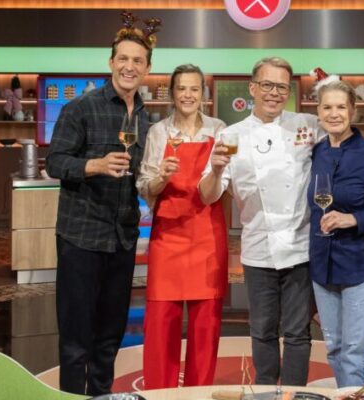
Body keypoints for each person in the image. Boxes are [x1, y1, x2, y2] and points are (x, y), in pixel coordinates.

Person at [45, 14, 159, 396]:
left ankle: (102, 395)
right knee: (76, 339)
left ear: (147, 69)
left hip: (122, 238)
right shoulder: (81, 108)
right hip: (81, 236)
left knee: (110, 337)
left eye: (137, 61)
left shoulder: (144, 117)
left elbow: (142, 174)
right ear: (111, 62)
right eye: (123, 59)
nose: (129, 67)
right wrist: (94, 165)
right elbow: (55, 162)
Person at [198, 57, 321, 386]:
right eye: (267, 85)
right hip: (258, 248)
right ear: (252, 88)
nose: (274, 93)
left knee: (297, 332)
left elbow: (343, 135)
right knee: (262, 329)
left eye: (281, 86)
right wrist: (217, 169)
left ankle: (293, 393)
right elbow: (207, 195)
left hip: (300, 246)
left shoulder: (307, 125)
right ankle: (266, 390)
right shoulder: (231, 135)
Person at [136, 64, 228, 389]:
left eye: (194, 89)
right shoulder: (158, 132)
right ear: (172, 94)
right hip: (168, 235)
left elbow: (216, 190)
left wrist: (216, 172)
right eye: (181, 89)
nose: (188, 95)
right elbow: (145, 186)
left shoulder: (219, 129)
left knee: (206, 327)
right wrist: (161, 177)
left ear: (203, 94)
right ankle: (159, 394)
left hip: (207, 236)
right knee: (161, 323)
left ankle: (199, 394)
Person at [308, 80, 364, 387]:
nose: (334, 114)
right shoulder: (316, 152)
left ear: (353, 110)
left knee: (354, 351)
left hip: (361, 266)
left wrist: (352, 219)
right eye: (327, 107)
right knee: (334, 347)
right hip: (322, 265)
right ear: (318, 112)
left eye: (341, 107)